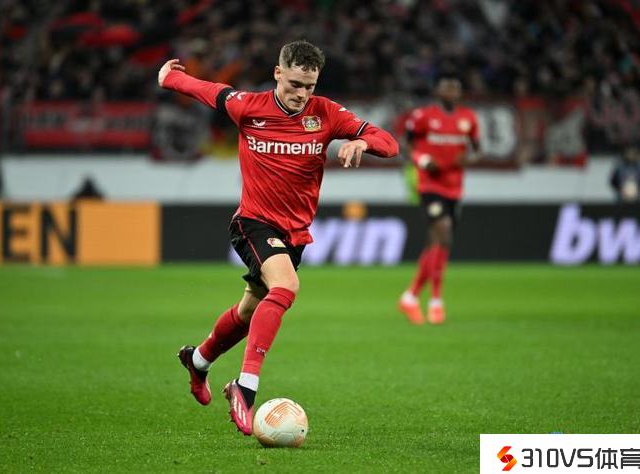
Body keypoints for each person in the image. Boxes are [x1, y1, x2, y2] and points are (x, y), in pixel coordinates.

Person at [158, 41, 398, 436]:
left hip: (295, 233)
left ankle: (198, 361)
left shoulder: (326, 113)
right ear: (278, 73)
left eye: (309, 86)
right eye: (295, 84)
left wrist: (361, 141)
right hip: (253, 222)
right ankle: (246, 386)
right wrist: (170, 78)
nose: (302, 94)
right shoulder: (248, 107)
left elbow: (389, 142)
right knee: (286, 287)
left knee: (249, 311)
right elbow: (207, 90)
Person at [398, 73, 480, 325]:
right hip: (429, 184)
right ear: (438, 92)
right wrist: (422, 160)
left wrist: (469, 158)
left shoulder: (468, 118)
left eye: (455, 89)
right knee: (443, 232)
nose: (452, 93)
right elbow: (405, 144)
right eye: (447, 88)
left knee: (439, 241)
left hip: (454, 187)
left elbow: (477, 149)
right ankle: (435, 300)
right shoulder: (423, 116)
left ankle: (411, 296)